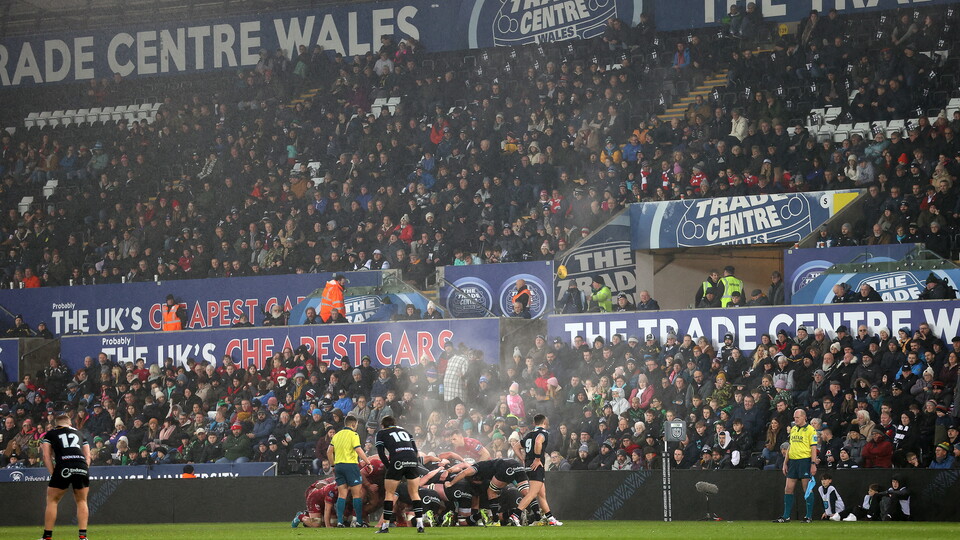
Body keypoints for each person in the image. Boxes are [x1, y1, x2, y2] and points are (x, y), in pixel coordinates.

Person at [40, 404, 91, 540]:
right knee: (82, 500)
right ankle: (83, 537)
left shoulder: (50, 434)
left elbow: (46, 456)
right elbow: (88, 456)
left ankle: (47, 537)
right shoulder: (80, 434)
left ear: (56, 424)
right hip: (81, 465)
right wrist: (84, 469)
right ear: (70, 423)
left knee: (52, 500)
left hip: (63, 465)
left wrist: (53, 474)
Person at [374, 416, 425, 533]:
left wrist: (389, 467)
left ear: (383, 425)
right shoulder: (406, 431)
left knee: (389, 494)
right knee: (414, 493)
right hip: (412, 460)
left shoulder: (381, 433)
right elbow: (416, 451)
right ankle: (420, 525)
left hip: (397, 460)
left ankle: (385, 527)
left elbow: (381, 453)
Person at [510, 414, 562, 526]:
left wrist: (523, 459)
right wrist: (537, 458)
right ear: (544, 422)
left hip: (529, 464)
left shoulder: (529, 435)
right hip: (536, 465)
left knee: (542, 494)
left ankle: (550, 518)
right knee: (532, 494)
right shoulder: (543, 433)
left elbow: (515, 446)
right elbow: (538, 442)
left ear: (534, 423)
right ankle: (515, 515)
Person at [774, 408, 818, 523]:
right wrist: (785, 462)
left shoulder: (810, 430)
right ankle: (786, 516)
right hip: (793, 461)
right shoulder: (793, 429)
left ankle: (808, 516)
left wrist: (813, 463)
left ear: (804, 417)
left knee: (806, 489)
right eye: (794, 417)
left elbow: (813, 448)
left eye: (797, 417)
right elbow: (790, 446)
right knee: (788, 488)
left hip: (804, 461)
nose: (795, 419)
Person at [327, 415, 371, 527]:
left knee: (342, 494)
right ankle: (359, 522)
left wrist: (333, 465)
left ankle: (340, 522)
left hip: (339, 466)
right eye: (356, 425)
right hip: (350, 465)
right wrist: (368, 462)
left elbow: (329, 452)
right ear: (353, 424)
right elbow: (358, 449)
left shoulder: (336, 435)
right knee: (357, 495)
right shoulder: (354, 435)